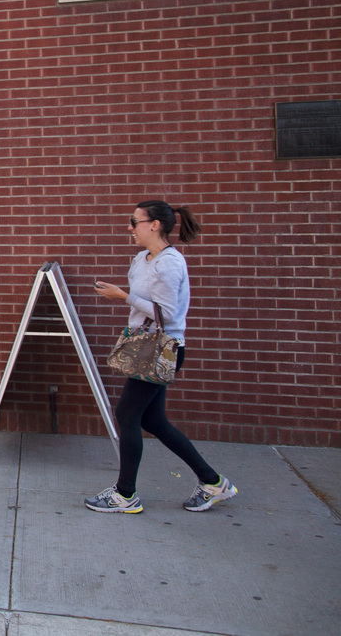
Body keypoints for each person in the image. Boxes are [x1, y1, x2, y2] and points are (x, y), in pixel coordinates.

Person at [85, 200, 237, 514]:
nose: (130, 228)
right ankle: (212, 482)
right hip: (145, 346)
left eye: (134, 222)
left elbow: (166, 314)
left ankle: (125, 494)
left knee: (128, 414)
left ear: (155, 225)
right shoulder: (142, 259)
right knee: (153, 420)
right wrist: (125, 298)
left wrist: (123, 296)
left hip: (161, 350)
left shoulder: (169, 263)